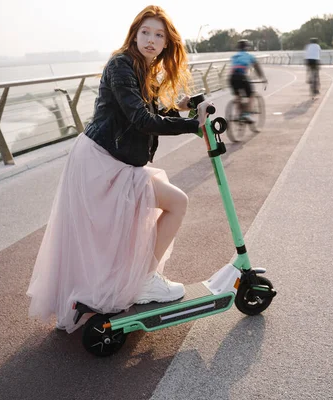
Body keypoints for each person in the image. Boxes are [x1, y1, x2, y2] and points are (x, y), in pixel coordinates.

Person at [26, 5, 214, 333]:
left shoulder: (142, 66)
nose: (152, 40)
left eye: (159, 35)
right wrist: (191, 126)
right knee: (176, 203)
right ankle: (143, 281)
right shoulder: (121, 64)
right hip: (100, 163)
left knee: (113, 232)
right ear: (134, 34)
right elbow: (140, 119)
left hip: (110, 160)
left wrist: (182, 107)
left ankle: (136, 280)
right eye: (146, 33)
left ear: (168, 42)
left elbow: (144, 106)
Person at [228, 39, 266, 123]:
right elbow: (257, 68)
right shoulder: (249, 56)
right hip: (242, 76)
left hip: (232, 78)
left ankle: (239, 114)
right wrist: (263, 78)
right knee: (251, 94)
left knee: (238, 96)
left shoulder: (234, 56)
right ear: (247, 48)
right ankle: (246, 114)